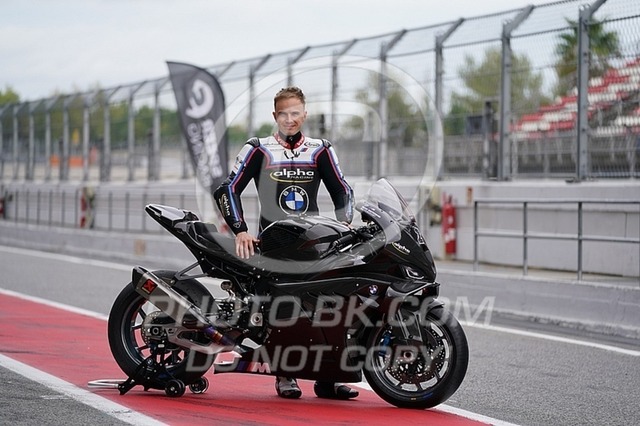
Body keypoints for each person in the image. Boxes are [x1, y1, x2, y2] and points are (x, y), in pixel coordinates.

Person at [214, 86, 358, 400]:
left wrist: (345, 223)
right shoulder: (258, 148)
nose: (289, 119)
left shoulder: (321, 149)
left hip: (315, 243)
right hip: (273, 244)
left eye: (295, 113)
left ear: (304, 114)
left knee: (331, 306)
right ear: (275, 115)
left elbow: (342, 190)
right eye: (283, 114)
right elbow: (227, 189)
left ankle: (329, 378)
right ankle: (285, 374)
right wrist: (240, 230)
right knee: (285, 309)